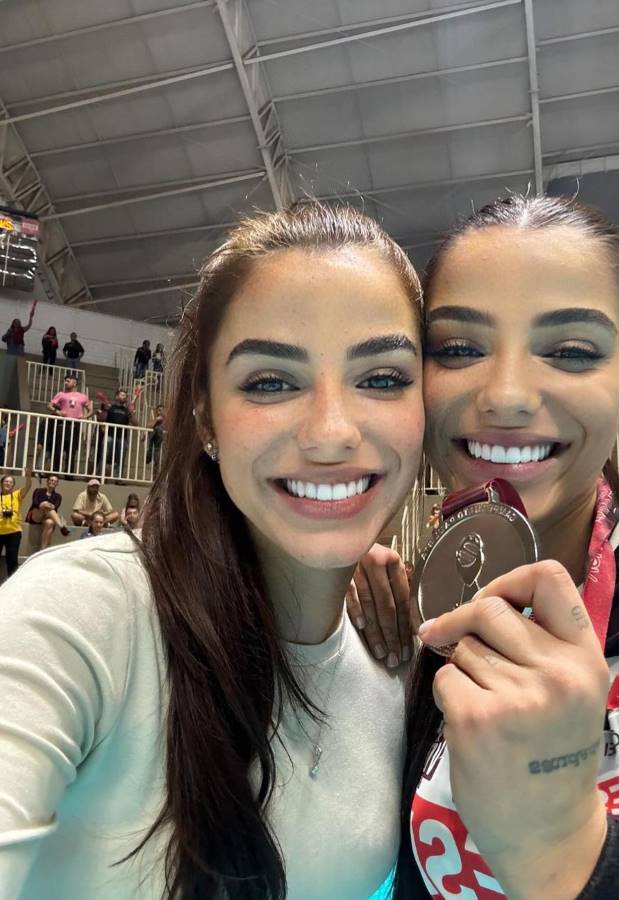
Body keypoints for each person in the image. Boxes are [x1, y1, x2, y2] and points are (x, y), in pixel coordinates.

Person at [0, 202, 425, 900]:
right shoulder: (85, 616)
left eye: (381, 377)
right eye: (269, 382)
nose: (329, 433)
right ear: (205, 419)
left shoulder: (399, 666)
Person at [349, 195, 619, 898]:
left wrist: (563, 844)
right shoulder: (415, 616)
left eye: (569, 351)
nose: (505, 395)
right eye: (460, 349)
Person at [47, 373, 92, 474]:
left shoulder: (83, 396)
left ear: (75, 383)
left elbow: (90, 410)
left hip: (75, 425)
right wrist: (58, 412)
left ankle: (69, 473)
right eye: (65, 381)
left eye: (68, 381)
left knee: (71, 450)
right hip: (62, 424)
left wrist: (85, 416)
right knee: (58, 448)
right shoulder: (61, 394)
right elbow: (50, 405)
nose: (66, 383)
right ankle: (56, 472)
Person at [0, 468, 33, 577]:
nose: (8, 483)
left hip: (13, 532)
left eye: (10, 482)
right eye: (6, 481)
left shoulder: (16, 495)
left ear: (13, 485)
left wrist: (28, 476)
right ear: (1, 483)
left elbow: (27, 487)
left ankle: (12, 585)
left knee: (12, 561)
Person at [26, 473, 70, 549]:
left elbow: (55, 507)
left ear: (57, 484)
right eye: (51, 480)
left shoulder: (58, 496)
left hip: (47, 517)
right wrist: (44, 504)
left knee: (50, 523)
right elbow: (35, 503)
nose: (53, 482)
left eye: (55, 481)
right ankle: (61, 526)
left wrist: (47, 506)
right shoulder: (38, 491)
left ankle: (43, 549)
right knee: (44, 504)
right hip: (36, 515)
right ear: (47, 481)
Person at [101, 387, 137, 478]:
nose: (124, 397)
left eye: (126, 396)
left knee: (121, 457)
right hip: (110, 435)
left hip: (122, 437)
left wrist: (131, 414)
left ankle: (119, 477)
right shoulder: (111, 407)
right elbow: (101, 419)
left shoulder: (126, 410)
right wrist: (105, 410)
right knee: (105, 454)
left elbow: (136, 423)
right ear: (116, 396)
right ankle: (100, 474)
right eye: (122, 395)